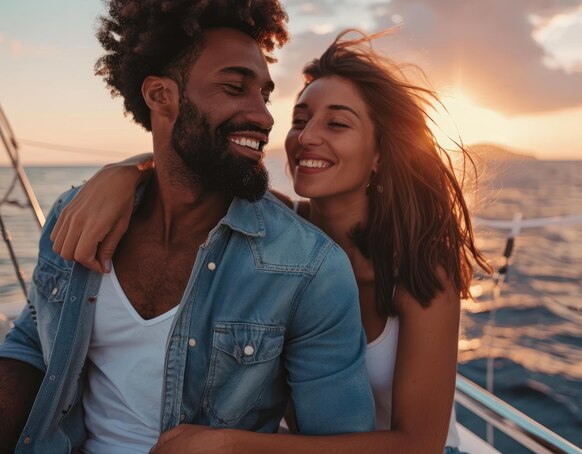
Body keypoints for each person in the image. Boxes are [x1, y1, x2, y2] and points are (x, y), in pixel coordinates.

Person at [50, 30, 492, 453]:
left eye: (336, 123)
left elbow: (421, 445)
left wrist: (230, 445)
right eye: (300, 120)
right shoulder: (277, 229)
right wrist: (125, 174)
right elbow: (192, 164)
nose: (307, 137)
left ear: (380, 153)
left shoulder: (420, 264)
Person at [0, 3, 378, 453]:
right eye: (235, 87)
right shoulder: (78, 215)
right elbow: (31, 343)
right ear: (161, 96)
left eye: (264, 93)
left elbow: (341, 442)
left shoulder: (308, 267)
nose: (264, 116)